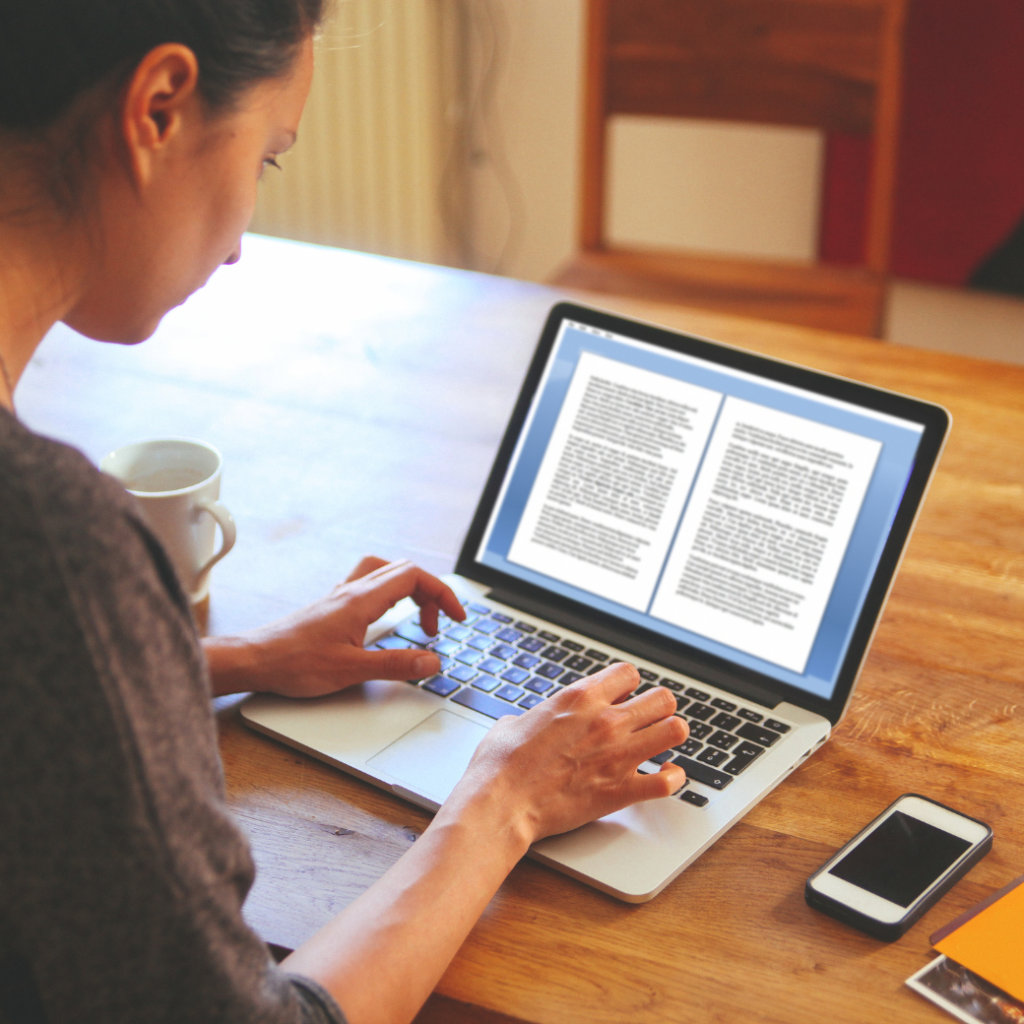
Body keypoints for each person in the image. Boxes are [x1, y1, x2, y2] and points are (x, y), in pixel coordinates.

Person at [0, 2, 689, 1022]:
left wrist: (222, 661)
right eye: (269, 158)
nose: (241, 240)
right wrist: (503, 801)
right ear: (157, 109)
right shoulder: (59, 548)